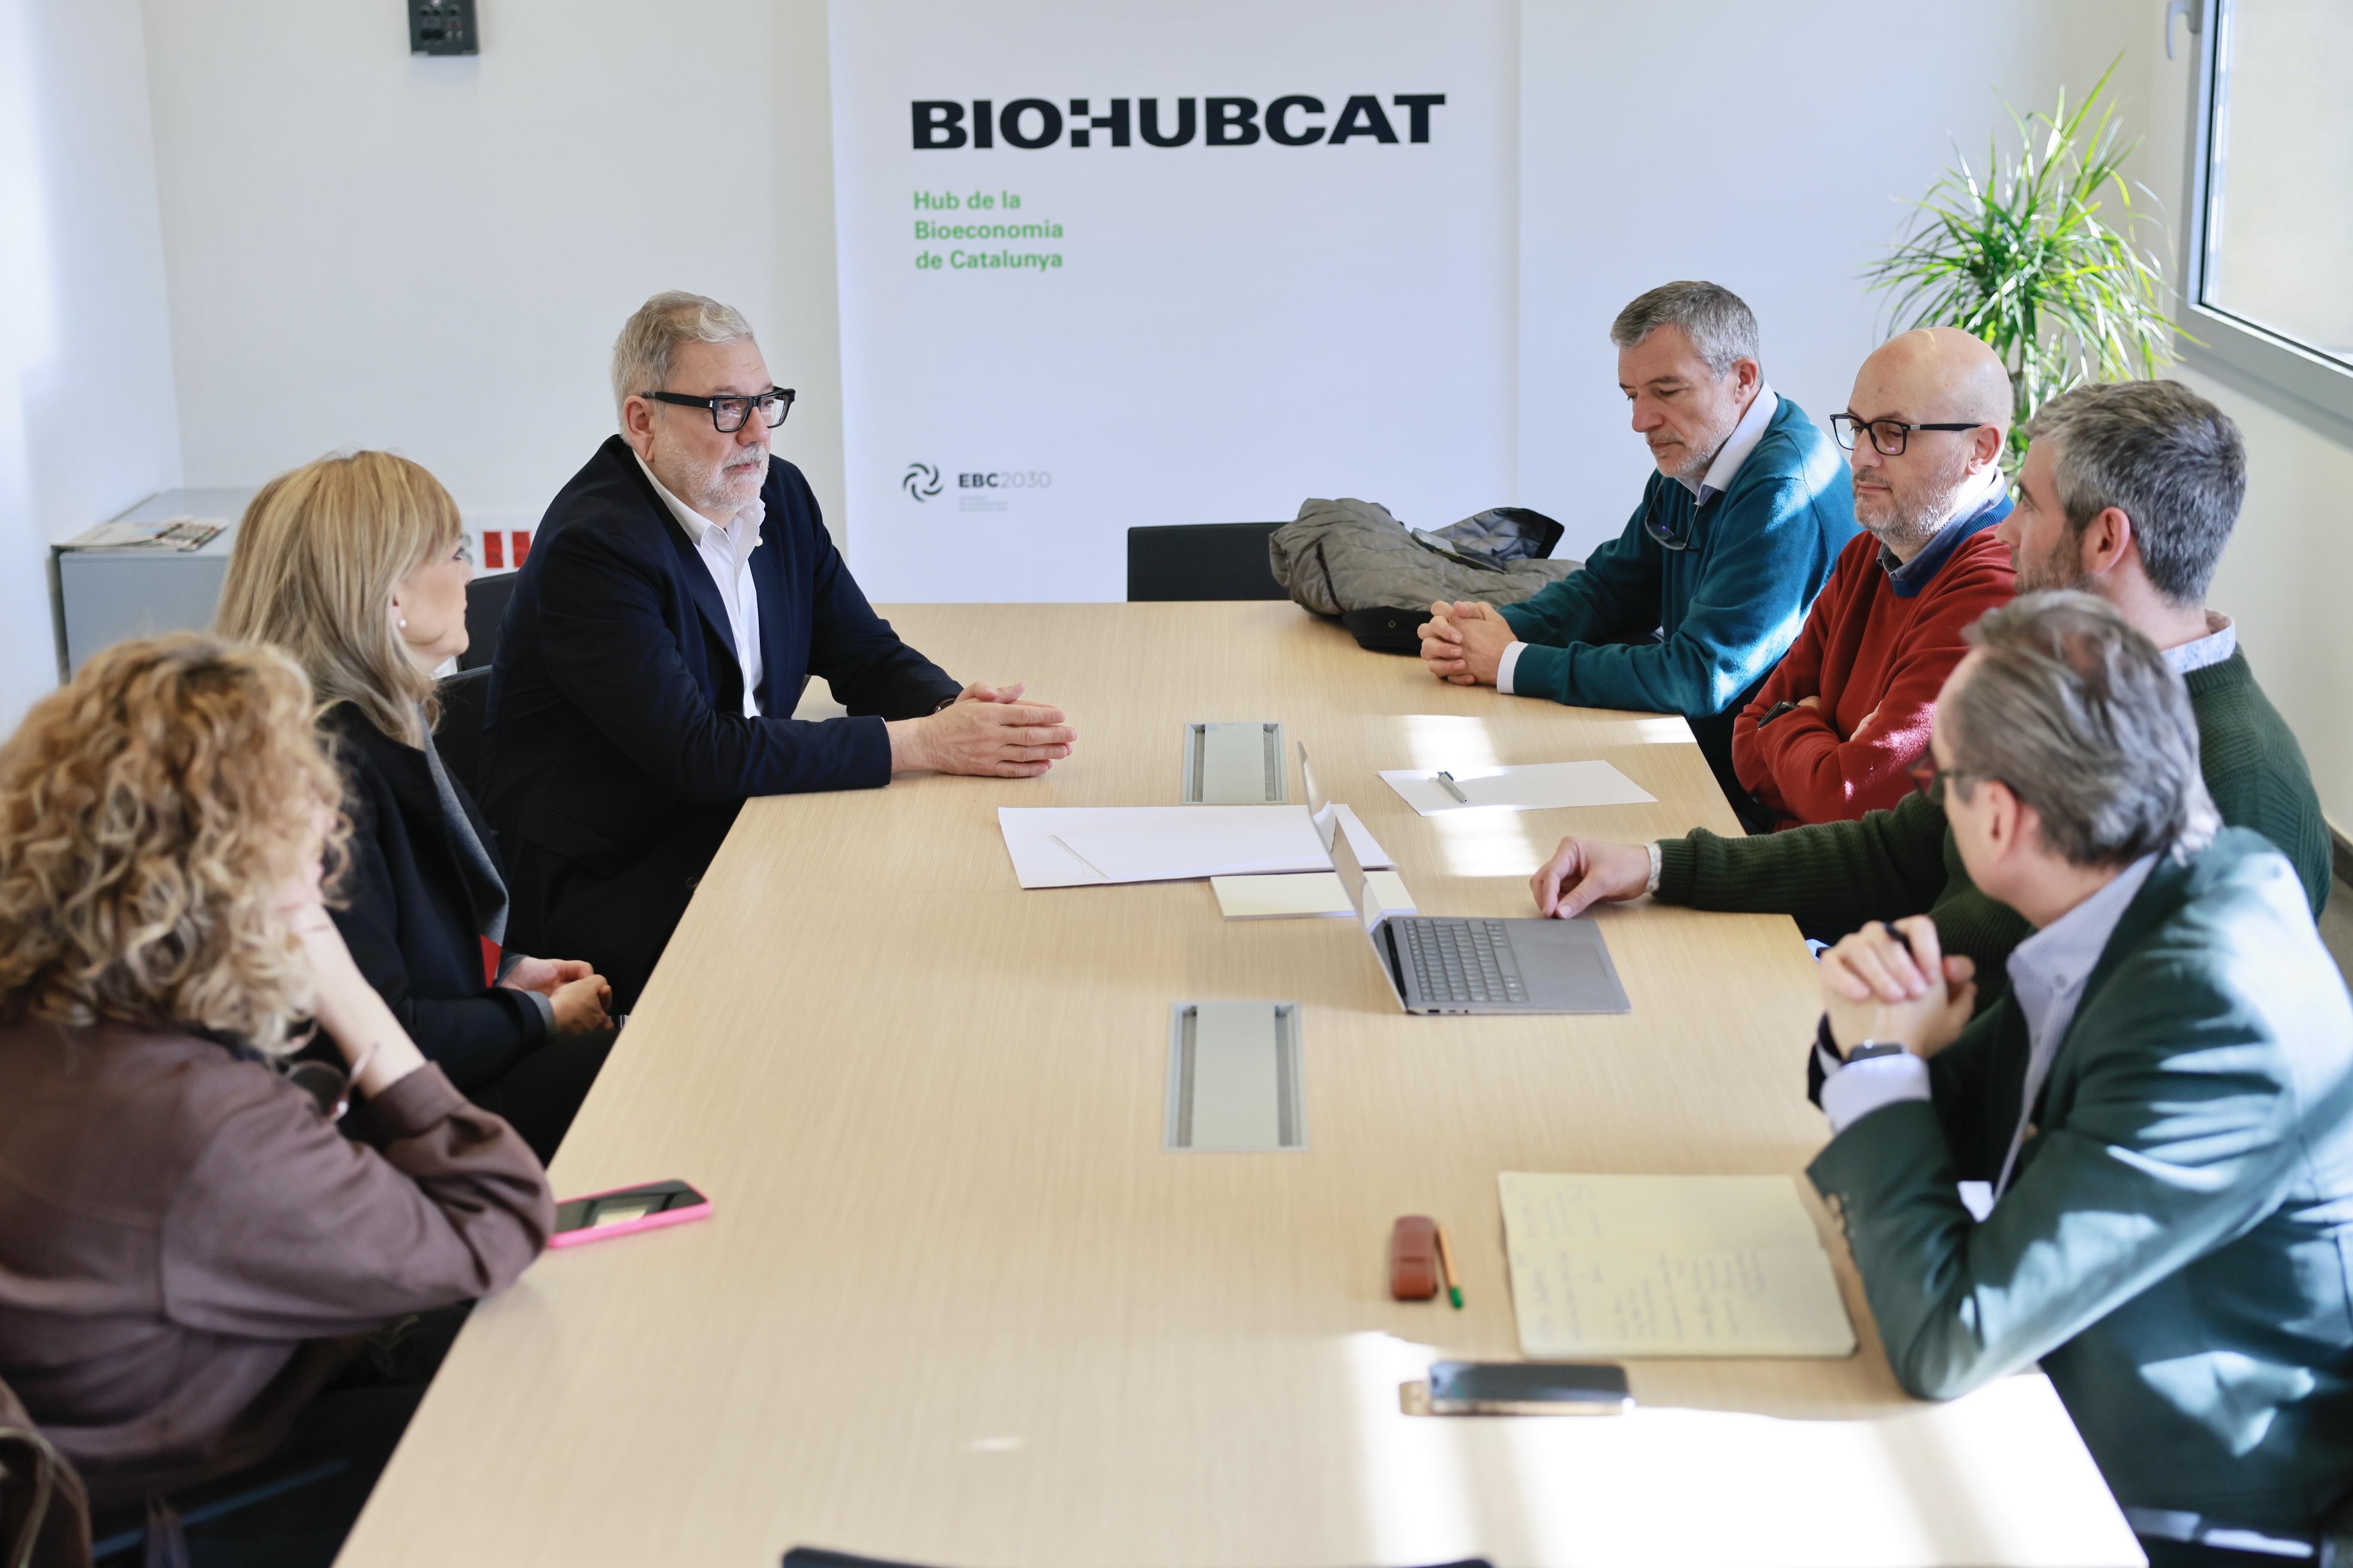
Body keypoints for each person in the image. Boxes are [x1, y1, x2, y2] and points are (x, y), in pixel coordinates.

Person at [1804, 593, 2353, 1561]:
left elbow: (1947, 1338)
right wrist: (1876, 1039)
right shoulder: (2150, 890)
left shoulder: (2207, 1006)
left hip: (2166, 1513)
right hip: (2051, 1395)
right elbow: (1961, 1115)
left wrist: (1886, 1064)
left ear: (1998, 817)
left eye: (1939, 780)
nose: (1935, 800)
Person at [0, 635, 553, 1555]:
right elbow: (498, 1217)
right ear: (239, 865)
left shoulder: (48, 1016)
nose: (328, 840)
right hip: (193, 1491)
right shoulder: (200, 1123)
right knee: (539, 1406)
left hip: (117, 1431)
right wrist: (342, 985)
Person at [1529, 380, 2330, 1008]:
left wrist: (1858, 1029)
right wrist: (1657, 866)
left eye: (2030, 505)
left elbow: (2135, 1076)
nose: (2005, 530)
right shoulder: (2072, 687)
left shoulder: (2242, 790)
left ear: (2105, 539)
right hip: (1902, 1021)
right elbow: (1895, 849)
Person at [481, 291, 1077, 1012]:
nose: (758, 432)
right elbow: (700, 754)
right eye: (727, 408)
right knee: (869, 961)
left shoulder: (778, 495)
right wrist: (926, 743)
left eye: (766, 402)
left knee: (942, 911)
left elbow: (863, 653)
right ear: (642, 421)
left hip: (747, 823)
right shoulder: (595, 548)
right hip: (623, 873)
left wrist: (956, 710)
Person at [217, 451, 616, 1163]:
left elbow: (413, 943)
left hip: (433, 1073)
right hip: (395, 1129)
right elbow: (378, 1033)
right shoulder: (325, 778)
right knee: (648, 1067)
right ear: (391, 594)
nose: (469, 574)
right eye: (454, 553)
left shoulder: (382, 726)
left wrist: (504, 972)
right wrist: (534, 1017)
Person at [1417, 281, 1856, 815]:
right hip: (1688, 750)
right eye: (1632, 395)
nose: (1640, 421)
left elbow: (1697, 675)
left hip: (1747, 797)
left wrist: (1513, 661)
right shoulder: (1697, 455)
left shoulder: (1784, 490)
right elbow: (1614, 590)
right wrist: (1492, 631)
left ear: (1743, 379)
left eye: (1667, 392)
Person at [1729, 328, 2016, 829]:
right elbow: (1747, 740)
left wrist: (1792, 723)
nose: (1860, 456)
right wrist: (1823, 751)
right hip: (1789, 858)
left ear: (1981, 449)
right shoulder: (1869, 553)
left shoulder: (1996, 590)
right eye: (1858, 427)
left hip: (1836, 879)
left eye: (1892, 432)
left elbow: (1851, 805)